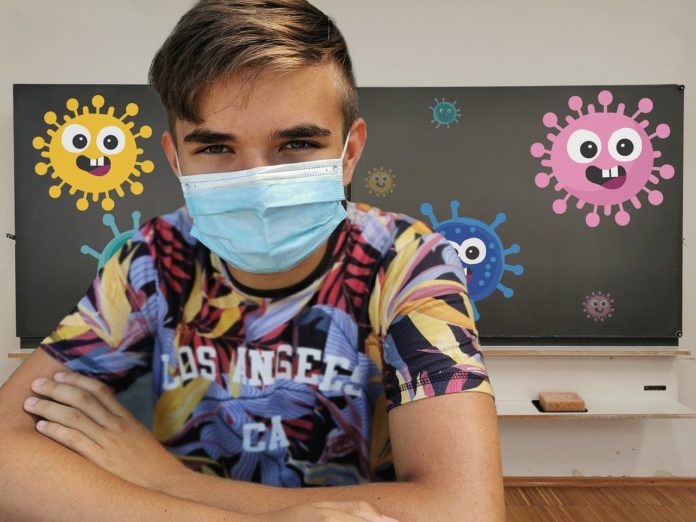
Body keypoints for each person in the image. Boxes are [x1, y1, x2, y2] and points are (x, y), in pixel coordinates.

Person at [0, 1, 505, 520]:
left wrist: (167, 481)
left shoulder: (408, 263)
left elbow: (464, 510)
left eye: (298, 143)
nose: (258, 183)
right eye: (216, 147)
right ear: (176, 159)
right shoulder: (152, 258)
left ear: (349, 152)